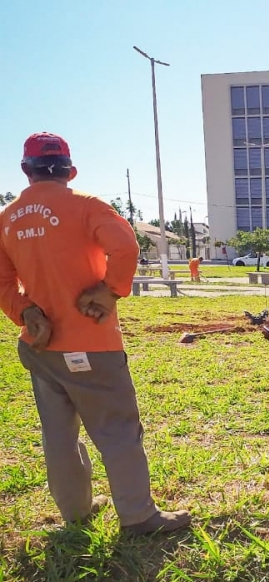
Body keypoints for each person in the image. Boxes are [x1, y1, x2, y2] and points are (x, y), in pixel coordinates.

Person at [0, 132, 191, 534]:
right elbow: (125, 247)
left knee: (59, 436)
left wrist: (25, 311)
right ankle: (138, 516)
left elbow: (2, 282)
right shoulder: (86, 206)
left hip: (40, 347)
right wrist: (109, 291)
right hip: (92, 345)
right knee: (118, 430)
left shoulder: (7, 218)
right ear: (70, 169)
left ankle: (76, 513)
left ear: (25, 170)